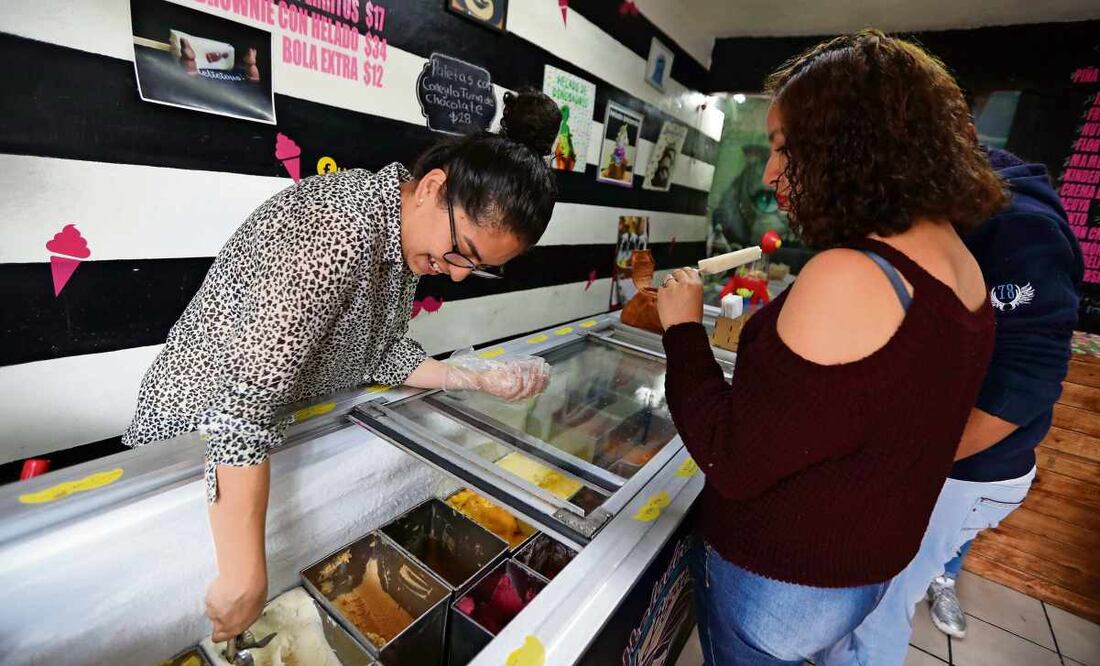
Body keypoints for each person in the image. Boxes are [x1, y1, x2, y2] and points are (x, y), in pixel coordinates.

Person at [122, 90, 562, 642]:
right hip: (198, 446)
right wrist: (244, 574)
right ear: (432, 188)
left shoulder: (405, 240)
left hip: (262, 451)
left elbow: (381, 352)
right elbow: (240, 414)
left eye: (475, 269)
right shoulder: (338, 226)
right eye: (461, 252)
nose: (453, 276)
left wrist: (472, 377)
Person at [655, 30, 1006, 665]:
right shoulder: (959, 262)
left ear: (851, 145)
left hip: (781, 583)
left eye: (785, 149)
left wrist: (681, 328)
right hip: (867, 570)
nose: (769, 172)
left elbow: (731, 456)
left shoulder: (851, 273)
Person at [819, 147, 1084, 665]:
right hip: (932, 458)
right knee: (864, 597)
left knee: (880, 609)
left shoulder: (1016, 226)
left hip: (965, 473)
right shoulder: (938, 215)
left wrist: (905, 463)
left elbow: (1027, 379)